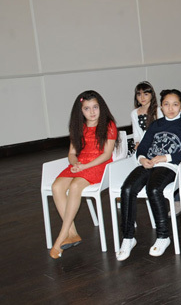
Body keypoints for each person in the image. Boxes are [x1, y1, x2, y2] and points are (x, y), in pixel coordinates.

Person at [116, 89, 181, 261]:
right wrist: (143, 158)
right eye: (166, 104)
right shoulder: (156, 124)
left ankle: (163, 236)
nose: (170, 108)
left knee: (154, 189)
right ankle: (128, 238)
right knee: (128, 189)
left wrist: (165, 157)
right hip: (149, 164)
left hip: (170, 165)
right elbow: (142, 147)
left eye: (175, 104)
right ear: (161, 106)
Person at [50, 90, 118, 259]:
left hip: (99, 164)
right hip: (81, 164)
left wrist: (85, 166)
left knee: (75, 186)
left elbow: (107, 155)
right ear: (80, 111)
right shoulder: (78, 126)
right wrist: (75, 164)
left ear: (101, 107)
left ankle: (60, 237)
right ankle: (72, 232)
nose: (92, 112)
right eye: (87, 108)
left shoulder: (109, 125)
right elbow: (72, 153)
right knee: (57, 187)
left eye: (95, 107)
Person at [131, 81, 163, 151]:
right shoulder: (134, 113)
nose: (142, 98)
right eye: (139, 95)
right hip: (143, 144)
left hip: (158, 143)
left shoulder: (158, 110)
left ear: (152, 95)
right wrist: (137, 142)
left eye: (146, 94)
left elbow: (162, 130)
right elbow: (136, 133)